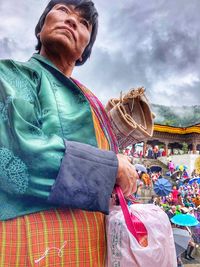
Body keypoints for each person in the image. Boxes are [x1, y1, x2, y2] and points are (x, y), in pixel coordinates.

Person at [0, 1, 138, 266]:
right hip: (36, 244)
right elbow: (14, 150)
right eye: (63, 9)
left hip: (90, 247)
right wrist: (110, 168)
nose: (72, 20)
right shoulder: (11, 75)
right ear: (41, 27)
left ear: (85, 52)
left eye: (84, 22)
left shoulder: (90, 100)